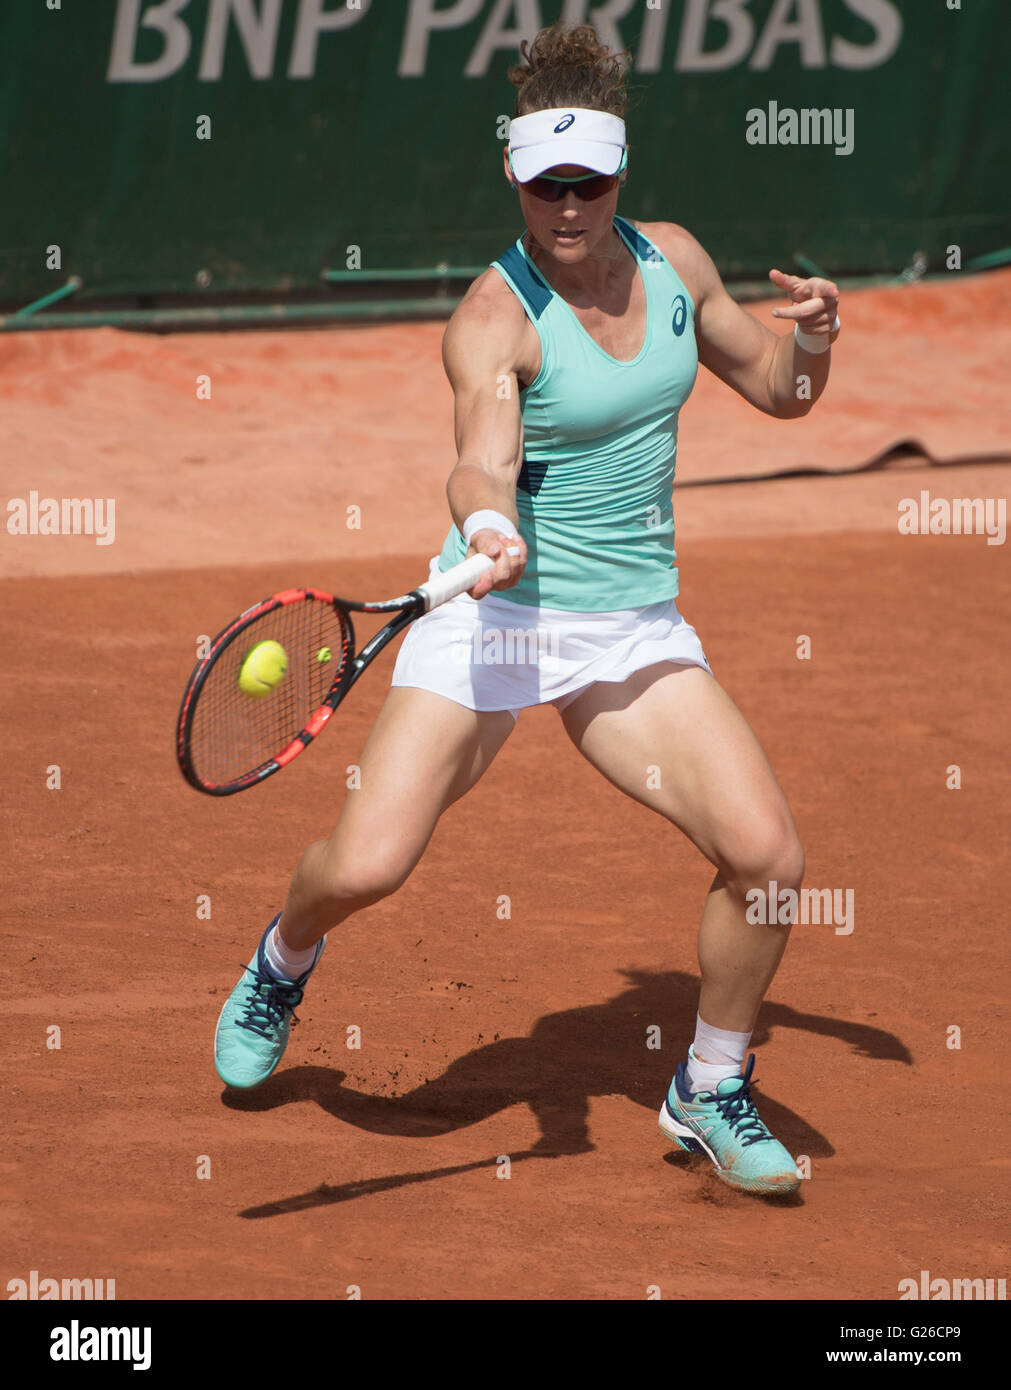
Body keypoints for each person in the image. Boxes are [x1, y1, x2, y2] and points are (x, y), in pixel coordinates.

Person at [214, 22, 841, 1197]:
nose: (566, 207)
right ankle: (283, 956)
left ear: (620, 171)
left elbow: (779, 391)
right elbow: (480, 457)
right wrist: (490, 523)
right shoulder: (491, 319)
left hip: (629, 631)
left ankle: (708, 1083)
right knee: (367, 865)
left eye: (588, 182)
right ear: (514, 174)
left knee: (767, 857)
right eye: (544, 183)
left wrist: (816, 346)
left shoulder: (678, 268)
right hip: (492, 619)